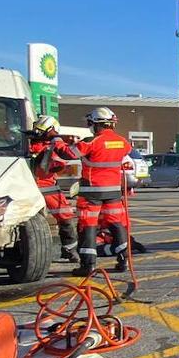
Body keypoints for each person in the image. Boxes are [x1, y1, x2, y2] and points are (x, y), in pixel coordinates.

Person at [53, 107, 130, 276]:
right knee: (116, 224)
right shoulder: (123, 142)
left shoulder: (91, 141)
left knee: (88, 226)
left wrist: (56, 139)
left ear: (95, 124)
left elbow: (67, 153)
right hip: (113, 193)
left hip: (92, 193)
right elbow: (123, 153)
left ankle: (88, 265)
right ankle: (123, 259)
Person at [28, 115, 79, 264]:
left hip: (32, 186)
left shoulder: (28, 144)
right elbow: (59, 165)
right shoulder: (52, 146)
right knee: (65, 217)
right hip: (46, 187)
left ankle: (69, 250)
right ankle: (70, 250)